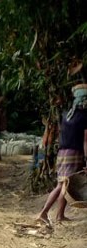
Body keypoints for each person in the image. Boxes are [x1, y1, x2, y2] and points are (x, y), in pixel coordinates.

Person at [37, 83, 87, 225]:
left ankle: (59, 215)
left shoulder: (66, 115)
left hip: (62, 152)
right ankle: (44, 213)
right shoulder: (84, 117)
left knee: (63, 184)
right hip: (74, 153)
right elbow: (85, 141)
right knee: (63, 186)